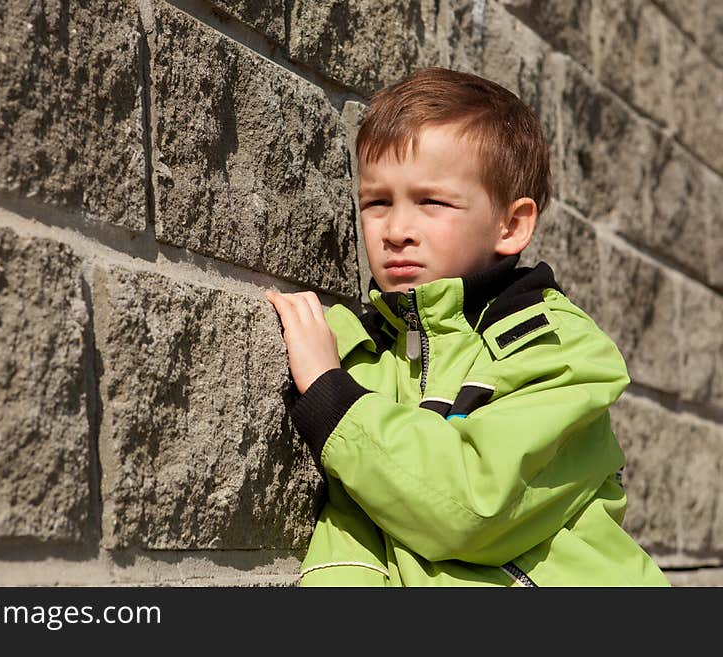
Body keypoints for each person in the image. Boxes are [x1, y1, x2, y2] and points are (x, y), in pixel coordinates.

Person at [265, 66, 669, 587]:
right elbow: (349, 544)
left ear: (512, 224)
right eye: (377, 202)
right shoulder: (361, 354)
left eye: (431, 202)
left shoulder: (560, 353)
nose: (397, 231)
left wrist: (329, 396)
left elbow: (473, 508)